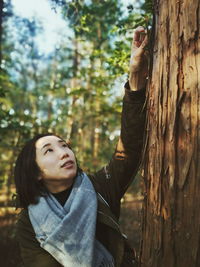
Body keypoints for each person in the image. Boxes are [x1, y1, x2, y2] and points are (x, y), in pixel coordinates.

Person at [14, 26, 148, 267]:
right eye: (49, 151)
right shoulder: (28, 223)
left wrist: (136, 79)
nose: (64, 152)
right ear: (35, 173)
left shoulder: (99, 187)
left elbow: (129, 148)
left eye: (64, 145)